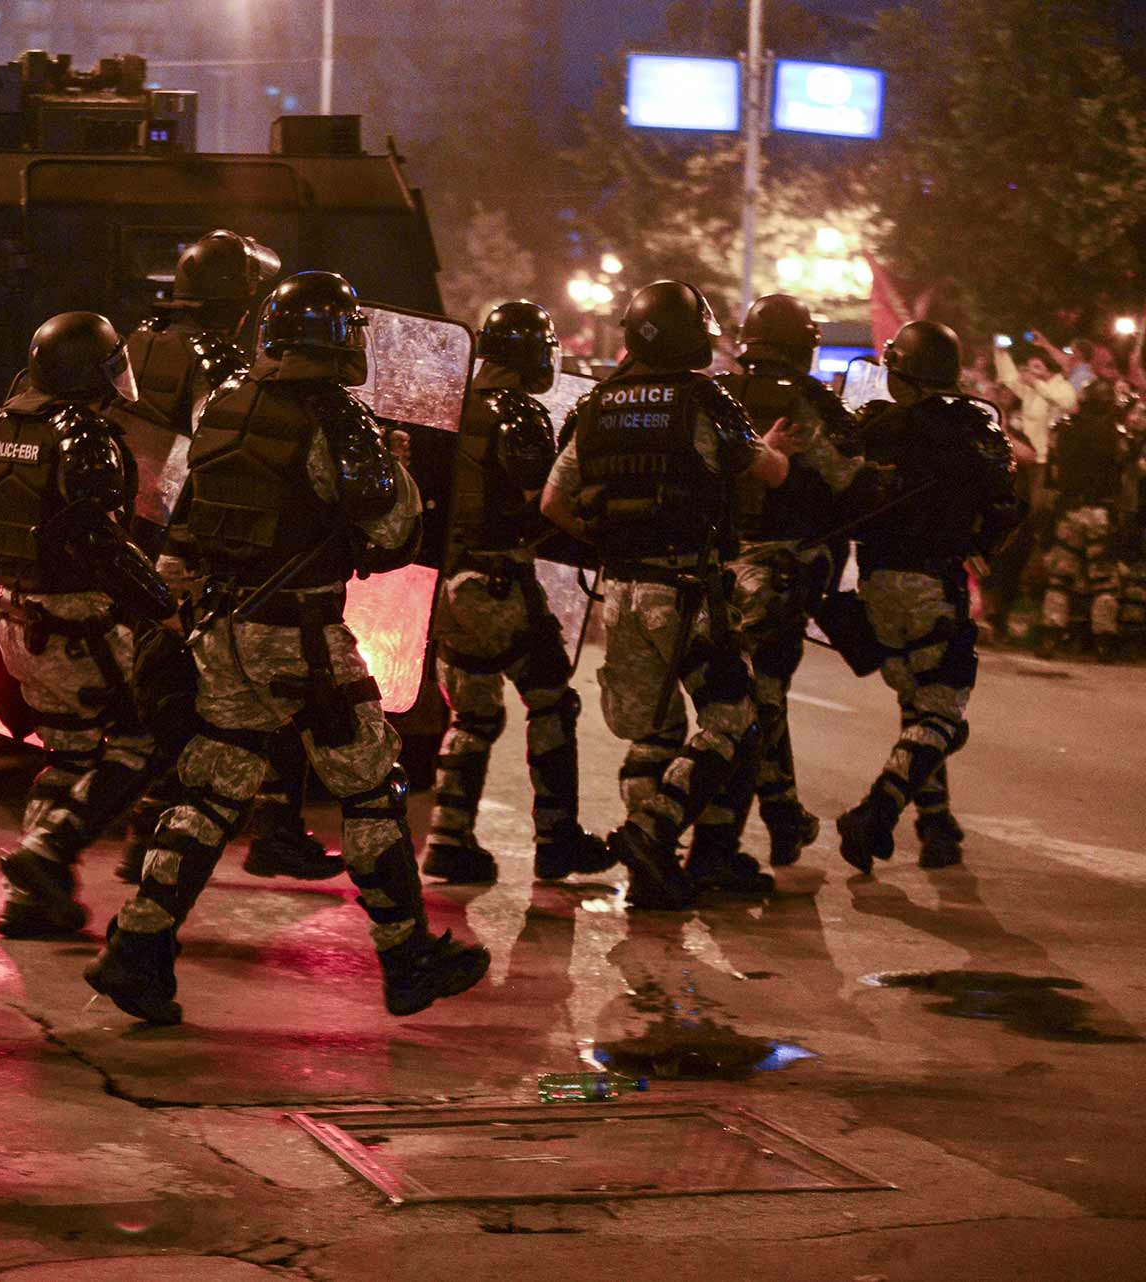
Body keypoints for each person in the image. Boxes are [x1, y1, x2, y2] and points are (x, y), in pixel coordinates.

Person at [87, 271, 492, 1024]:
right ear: (343, 344)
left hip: (225, 628)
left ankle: (136, 950)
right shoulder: (339, 419)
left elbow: (187, 517)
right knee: (371, 787)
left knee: (210, 789)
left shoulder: (227, 405)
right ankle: (408, 959)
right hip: (302, 637)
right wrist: (396, 463)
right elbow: (392, 534)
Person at [541, 280, 792, 911]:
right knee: (733, 718)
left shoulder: (597, 405)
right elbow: (766, 471)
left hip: (620, 591)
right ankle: (652, 832)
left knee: (653, 730)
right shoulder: (703, 399)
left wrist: (609, 541)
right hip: (683, 593)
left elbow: (553, 502)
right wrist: (780, 451)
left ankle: (651, 872)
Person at [126, 229, 340, 882]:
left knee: (175, 694)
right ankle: (270, 829)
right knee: (269, 683)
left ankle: (153, 827)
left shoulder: (138, 340)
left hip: (131, 542)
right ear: (239, 301)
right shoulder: (219, 362)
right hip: (197, 543)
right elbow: (216, 457)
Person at [0, 311, 177, 938]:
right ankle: (48, 851)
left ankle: (34, 901)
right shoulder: (86, 435)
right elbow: (99, 543)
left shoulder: (5, 423)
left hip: (19, 616)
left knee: (68, 754)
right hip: (79, 622)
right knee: (151, 738)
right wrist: (160, 602)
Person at [691, 294, 885, 881]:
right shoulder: (810, 402)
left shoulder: (718, 394)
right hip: (784, 570)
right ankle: (728, 837)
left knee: (758, 697)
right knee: (761, 699)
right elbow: (853, 484)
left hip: (716, 569)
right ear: (804, 343)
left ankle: (781, 814)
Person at [422, 299, 612, 886]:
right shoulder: (519, 414)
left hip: (448, 589)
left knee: (473, 716)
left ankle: (447, 840)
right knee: (552, 701)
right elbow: (541, 499)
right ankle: (557, 839)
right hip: (501, 585)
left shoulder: (449, 408)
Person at [838, 321, 1022, 872]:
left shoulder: (871, 429)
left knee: (917, 705)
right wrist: (977, 551)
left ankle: (936, 824)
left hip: (876, 584)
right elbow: (1009, 507)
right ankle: (879, 809)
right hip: (933, 584)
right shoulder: (973, 431)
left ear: (899, 371)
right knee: (943, 711)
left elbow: (840, 493)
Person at [1038, 378, 1125, 661]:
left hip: (1070, 511)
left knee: (1060, 579)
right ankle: (1104, 640)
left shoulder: (1064, 430)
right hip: (1100, 512)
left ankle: (1051, 633)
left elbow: (1053, 474)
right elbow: (1121, 473)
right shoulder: (1115, 435)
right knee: (1104, 581)